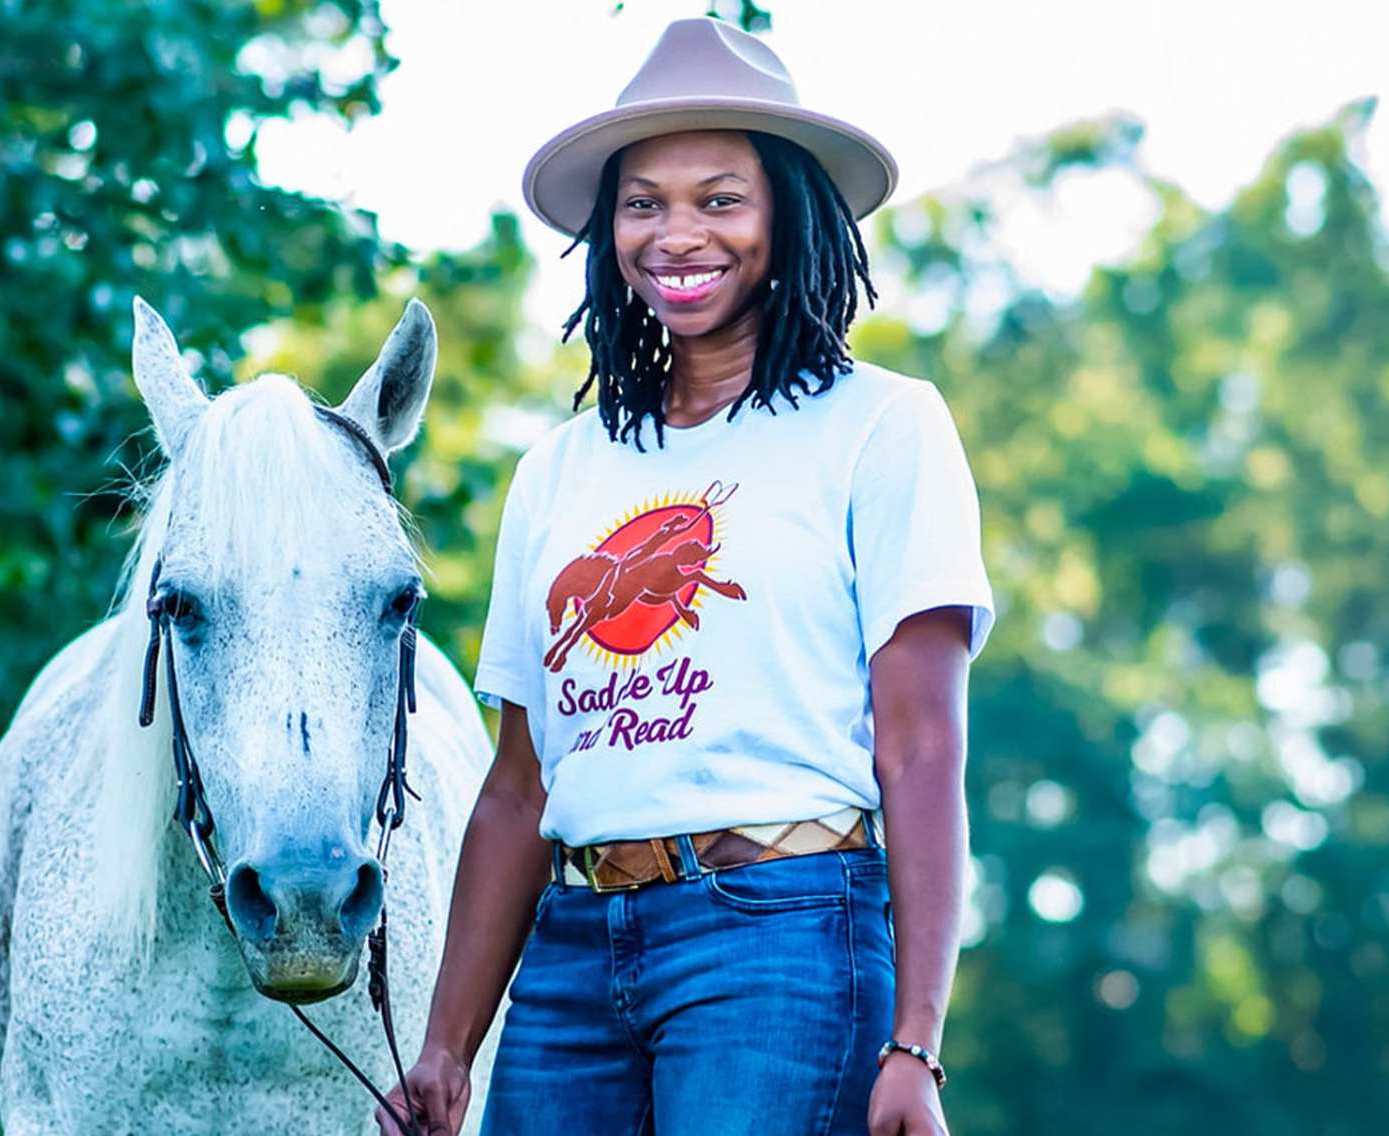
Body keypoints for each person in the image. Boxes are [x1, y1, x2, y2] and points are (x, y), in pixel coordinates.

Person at [376, 16, 995, 1136]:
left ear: (791, 214)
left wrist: (917, 1039)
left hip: (782, 936)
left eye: (721, 198)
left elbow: (919, 745)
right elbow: (520, 787)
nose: (677, 234)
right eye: (643, 202)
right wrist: (445, 1043)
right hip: (569, 955)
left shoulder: (883, 426)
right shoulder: (560, 469)